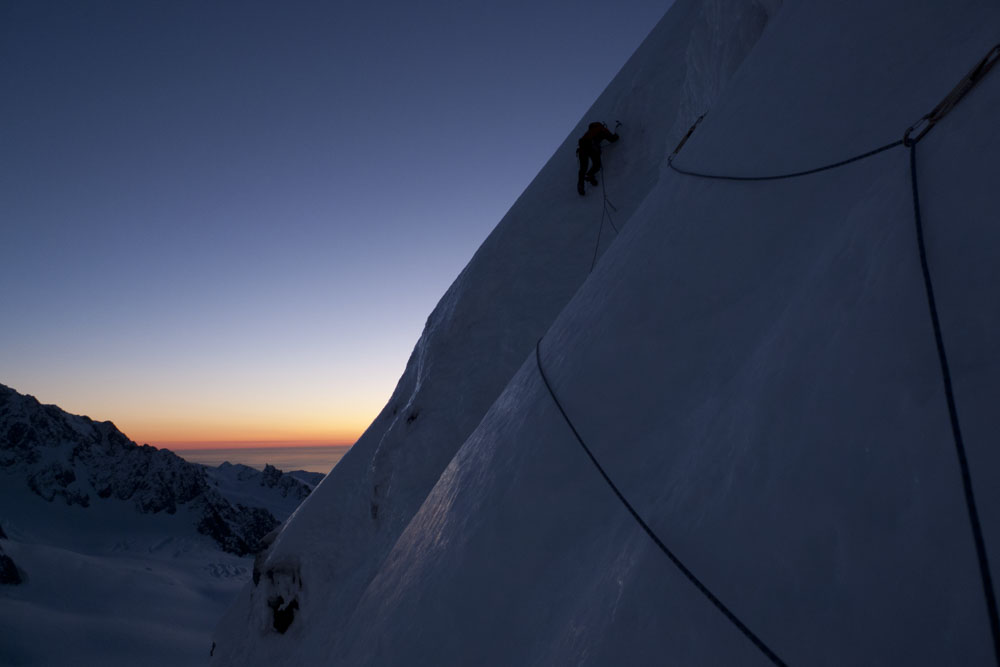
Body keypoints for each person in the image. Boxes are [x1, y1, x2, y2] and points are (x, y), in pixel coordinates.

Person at [576, 121, 619, 195]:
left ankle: (581, 185)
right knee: (597, 164)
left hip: (581, 149)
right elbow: (610, 137)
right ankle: (590, 175)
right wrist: (615, 136)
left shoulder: (588, 133)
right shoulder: (600, 128)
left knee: (583, 168)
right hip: (591, 147)